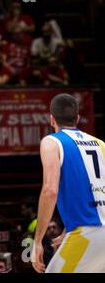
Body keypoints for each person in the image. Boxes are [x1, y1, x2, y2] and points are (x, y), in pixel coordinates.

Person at [32, 93, 105, 273]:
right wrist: (66, 230)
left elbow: (50, 190)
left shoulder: (52, 142)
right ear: (78, 118)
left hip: (88, 233)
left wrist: (37, 241)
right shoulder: (101, 144)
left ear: (51, 119)